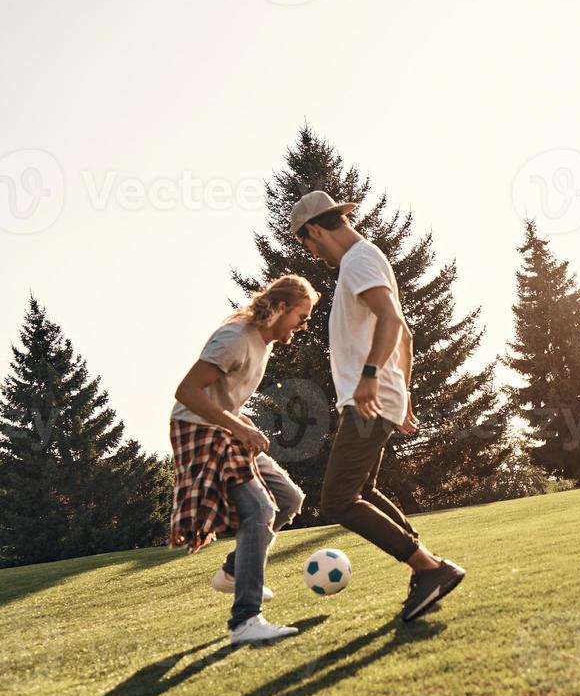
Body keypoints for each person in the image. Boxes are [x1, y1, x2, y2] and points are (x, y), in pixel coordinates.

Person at [289, 191, 466, 621]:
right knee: (361, 491)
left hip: (368, 399)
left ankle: (429, 568)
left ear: (314, 230)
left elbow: (393, 321)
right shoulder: (364, 260)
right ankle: (427, 563)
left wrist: (371, 379)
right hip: (379, 398)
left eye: (307, 245)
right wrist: (400, 394)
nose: (312, 254)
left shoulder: (358, 261)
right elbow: (404, 337)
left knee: (337, 501)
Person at [170, 274, 318, 644]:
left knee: (288, 500)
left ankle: (235, 571)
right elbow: (187, 391)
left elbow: (223, 395)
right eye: (302, 316)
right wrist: (235, 424)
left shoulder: (262, 342)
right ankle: (245, 621)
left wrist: (239, 418)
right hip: (198, 430)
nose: (303, 325)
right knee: (259, 510)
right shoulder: (235, 338)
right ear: (281, 308)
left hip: (223, 427)